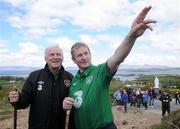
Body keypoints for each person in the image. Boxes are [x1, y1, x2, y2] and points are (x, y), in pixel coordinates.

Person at [63, 6, 156, 129]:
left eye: (86, 53)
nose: (84, 57)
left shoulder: (99, 72)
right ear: (74, 60)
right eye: (79, 55)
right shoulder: (73, 81)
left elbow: (118, 57)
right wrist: (65, 105)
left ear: (90, 55)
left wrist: (131, 36)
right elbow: (74, 105)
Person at [8, 45, 73, 129]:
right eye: (52, 54)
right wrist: (16, 98)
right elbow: (23, 103)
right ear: (45, 59)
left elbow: (75, 104)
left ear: (63, 58)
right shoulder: (34, 76)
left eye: (58, 54)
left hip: (62, 125)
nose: (55, 57)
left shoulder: (70, 77)